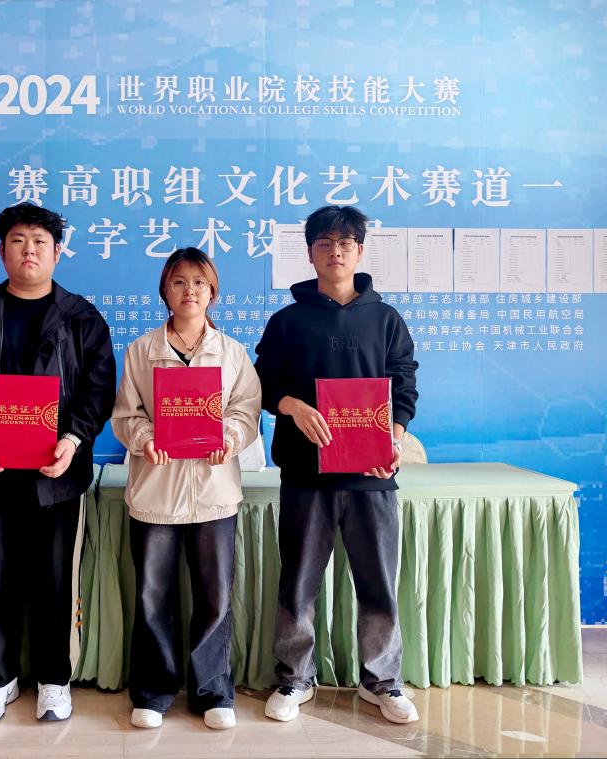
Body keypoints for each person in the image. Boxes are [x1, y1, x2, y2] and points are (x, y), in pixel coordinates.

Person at [0, 202, 116, 722]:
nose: (29, 250)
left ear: (57, 252)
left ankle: (54, 679)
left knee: (56, 579)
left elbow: (98, 389)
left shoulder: (82, 318)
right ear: (2, 251)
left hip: (55, 477)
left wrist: (74, 439)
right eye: (18, 241)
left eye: (39, 242)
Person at [254, 205, 420, 724]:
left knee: (378, 584)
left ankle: (382, 681)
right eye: (324, 243)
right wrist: (293, 406)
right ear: (310, 253)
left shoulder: (386, 319)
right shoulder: (287, 321)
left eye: (346, 242)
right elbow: (263, 382)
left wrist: (393, 437)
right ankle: (295, 678)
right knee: (299, 583)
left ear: (360, 251)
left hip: (372, 476)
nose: (335, 251)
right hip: (306, 475)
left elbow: (404, 385)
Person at [112, 248, 262, 730]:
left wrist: (229, 438)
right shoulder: (141, 351)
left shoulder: (232, 352)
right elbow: (126, 414)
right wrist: (144, 438)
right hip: (156, 492)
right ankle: (153, 692)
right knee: (152, 598)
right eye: (179, 282)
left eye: (199, 282)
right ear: (165, 290)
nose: (190, 291)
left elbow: (246, 411)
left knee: (215, 598)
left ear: (212, 291)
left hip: (214, 493)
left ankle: (213, 692)